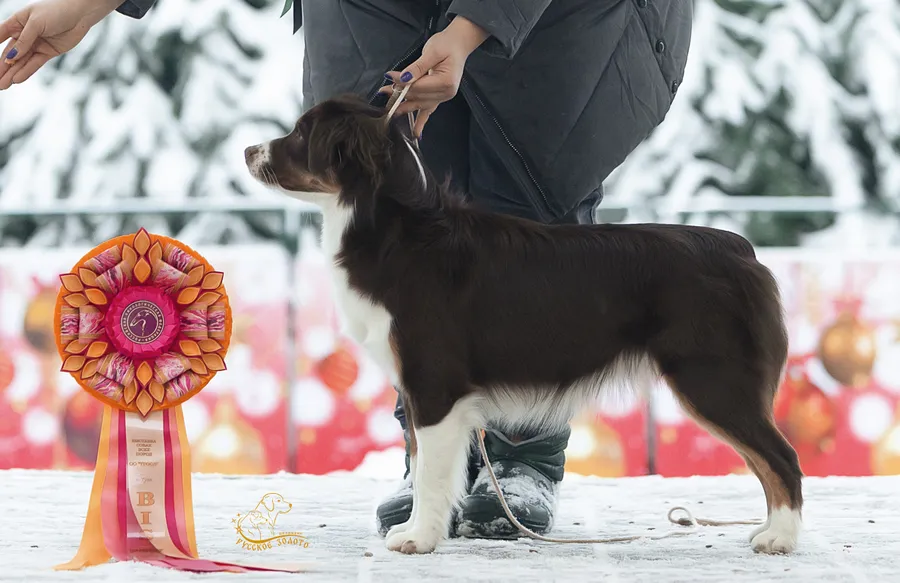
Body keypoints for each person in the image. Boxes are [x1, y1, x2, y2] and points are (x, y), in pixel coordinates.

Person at [0, 0, 692, 540]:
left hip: (563, 22)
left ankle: (523, 455)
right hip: (377, 9)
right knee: (391, 200)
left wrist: (473, 25)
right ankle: (432, 463)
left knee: (529, 204)